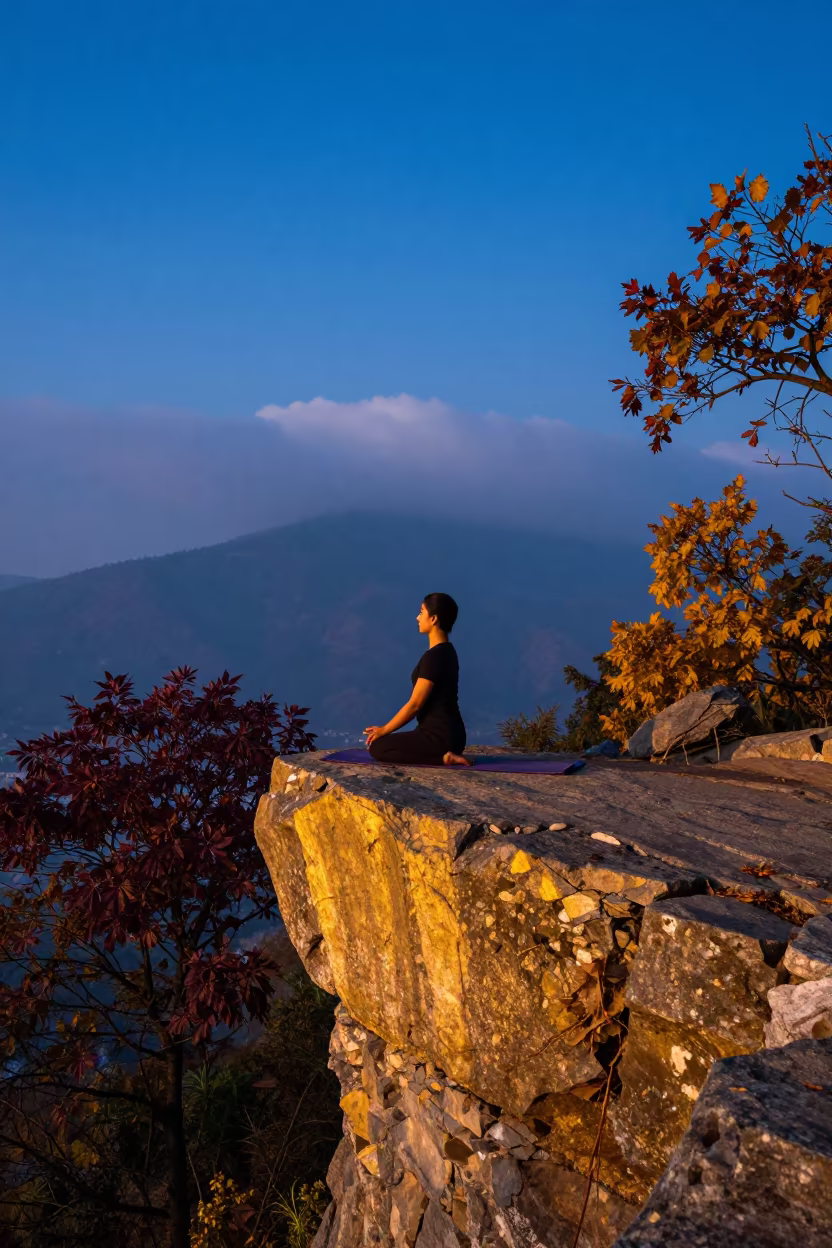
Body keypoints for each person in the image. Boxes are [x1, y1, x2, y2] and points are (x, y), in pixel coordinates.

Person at [364, 592, 470, 766]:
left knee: (378, 748)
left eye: (422, 612)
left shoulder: (435, 657)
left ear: (434, 619)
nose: (417, 617)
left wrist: (384, 730)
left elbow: (415, 704)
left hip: (438, 737)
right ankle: (445, 754)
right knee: (381, 746)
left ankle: (444, 758)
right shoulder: (448, 651)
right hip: (452, 735)